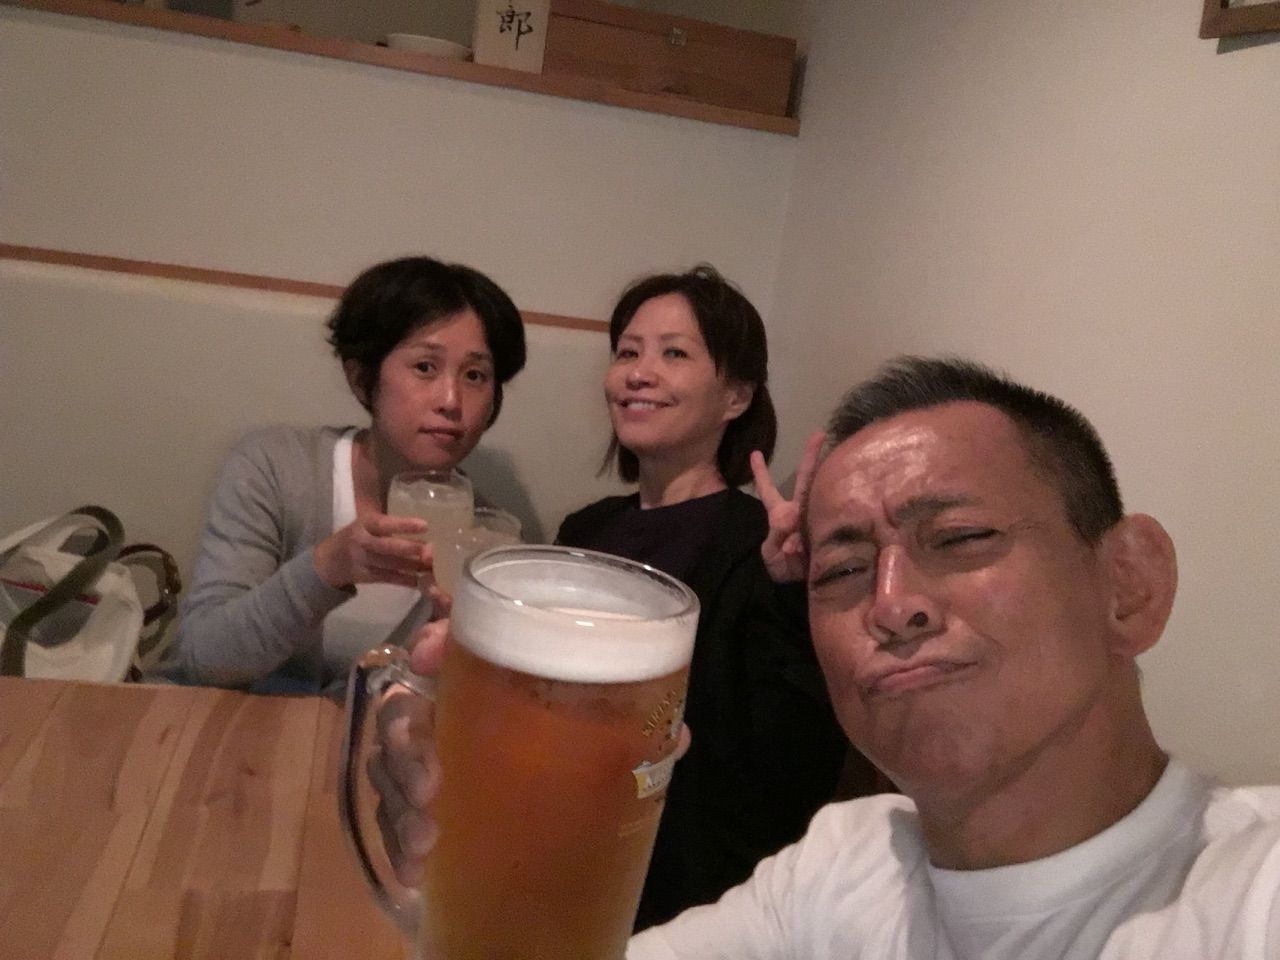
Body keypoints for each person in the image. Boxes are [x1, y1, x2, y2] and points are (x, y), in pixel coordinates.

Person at [382, 355, 1280, 959]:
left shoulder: (1250, 895)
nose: (890, 604)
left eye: (960, 537)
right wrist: (465, 842)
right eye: (843, 570)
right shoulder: (841, 869)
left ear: (1129, 585)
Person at [554, 266, 866, 928]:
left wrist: (793, 593)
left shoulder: (762, 549)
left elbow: (794, 774)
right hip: (561, 841)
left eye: (674, 354)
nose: (639, 374)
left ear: (736, 396)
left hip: (679, 889)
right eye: (628, 352)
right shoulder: (583, 531)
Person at [158, 256, 526, 694]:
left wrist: (458, 653)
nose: (451, 400)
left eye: (475, 375)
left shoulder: (486, 540)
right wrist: (327, 567)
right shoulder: (276, 468)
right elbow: (205, 658)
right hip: (213, 725)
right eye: (425, 367)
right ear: (361, 378)